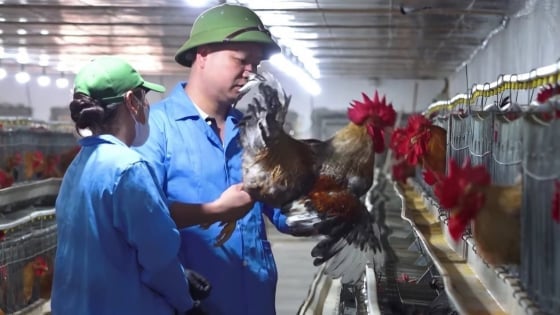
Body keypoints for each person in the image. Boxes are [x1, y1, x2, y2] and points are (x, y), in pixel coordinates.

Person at [134, 4, 293, 315]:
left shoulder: (254, 132)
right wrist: (215, 211)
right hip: (191, 305)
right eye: (241, 60)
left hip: (256, 299)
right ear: (203, 55)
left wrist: (321, 211)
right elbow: (140, 218)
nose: (251, 73)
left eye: (256, 64)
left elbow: (280, 210)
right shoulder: (156, 130)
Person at [51, 56, 214, 315]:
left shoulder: (79, 165)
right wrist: (186, 304)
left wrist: (181, 275)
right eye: (144, 96)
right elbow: (157, 259)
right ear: (131, 101)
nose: (147, 105)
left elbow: (108, 248)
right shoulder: (128, 169)